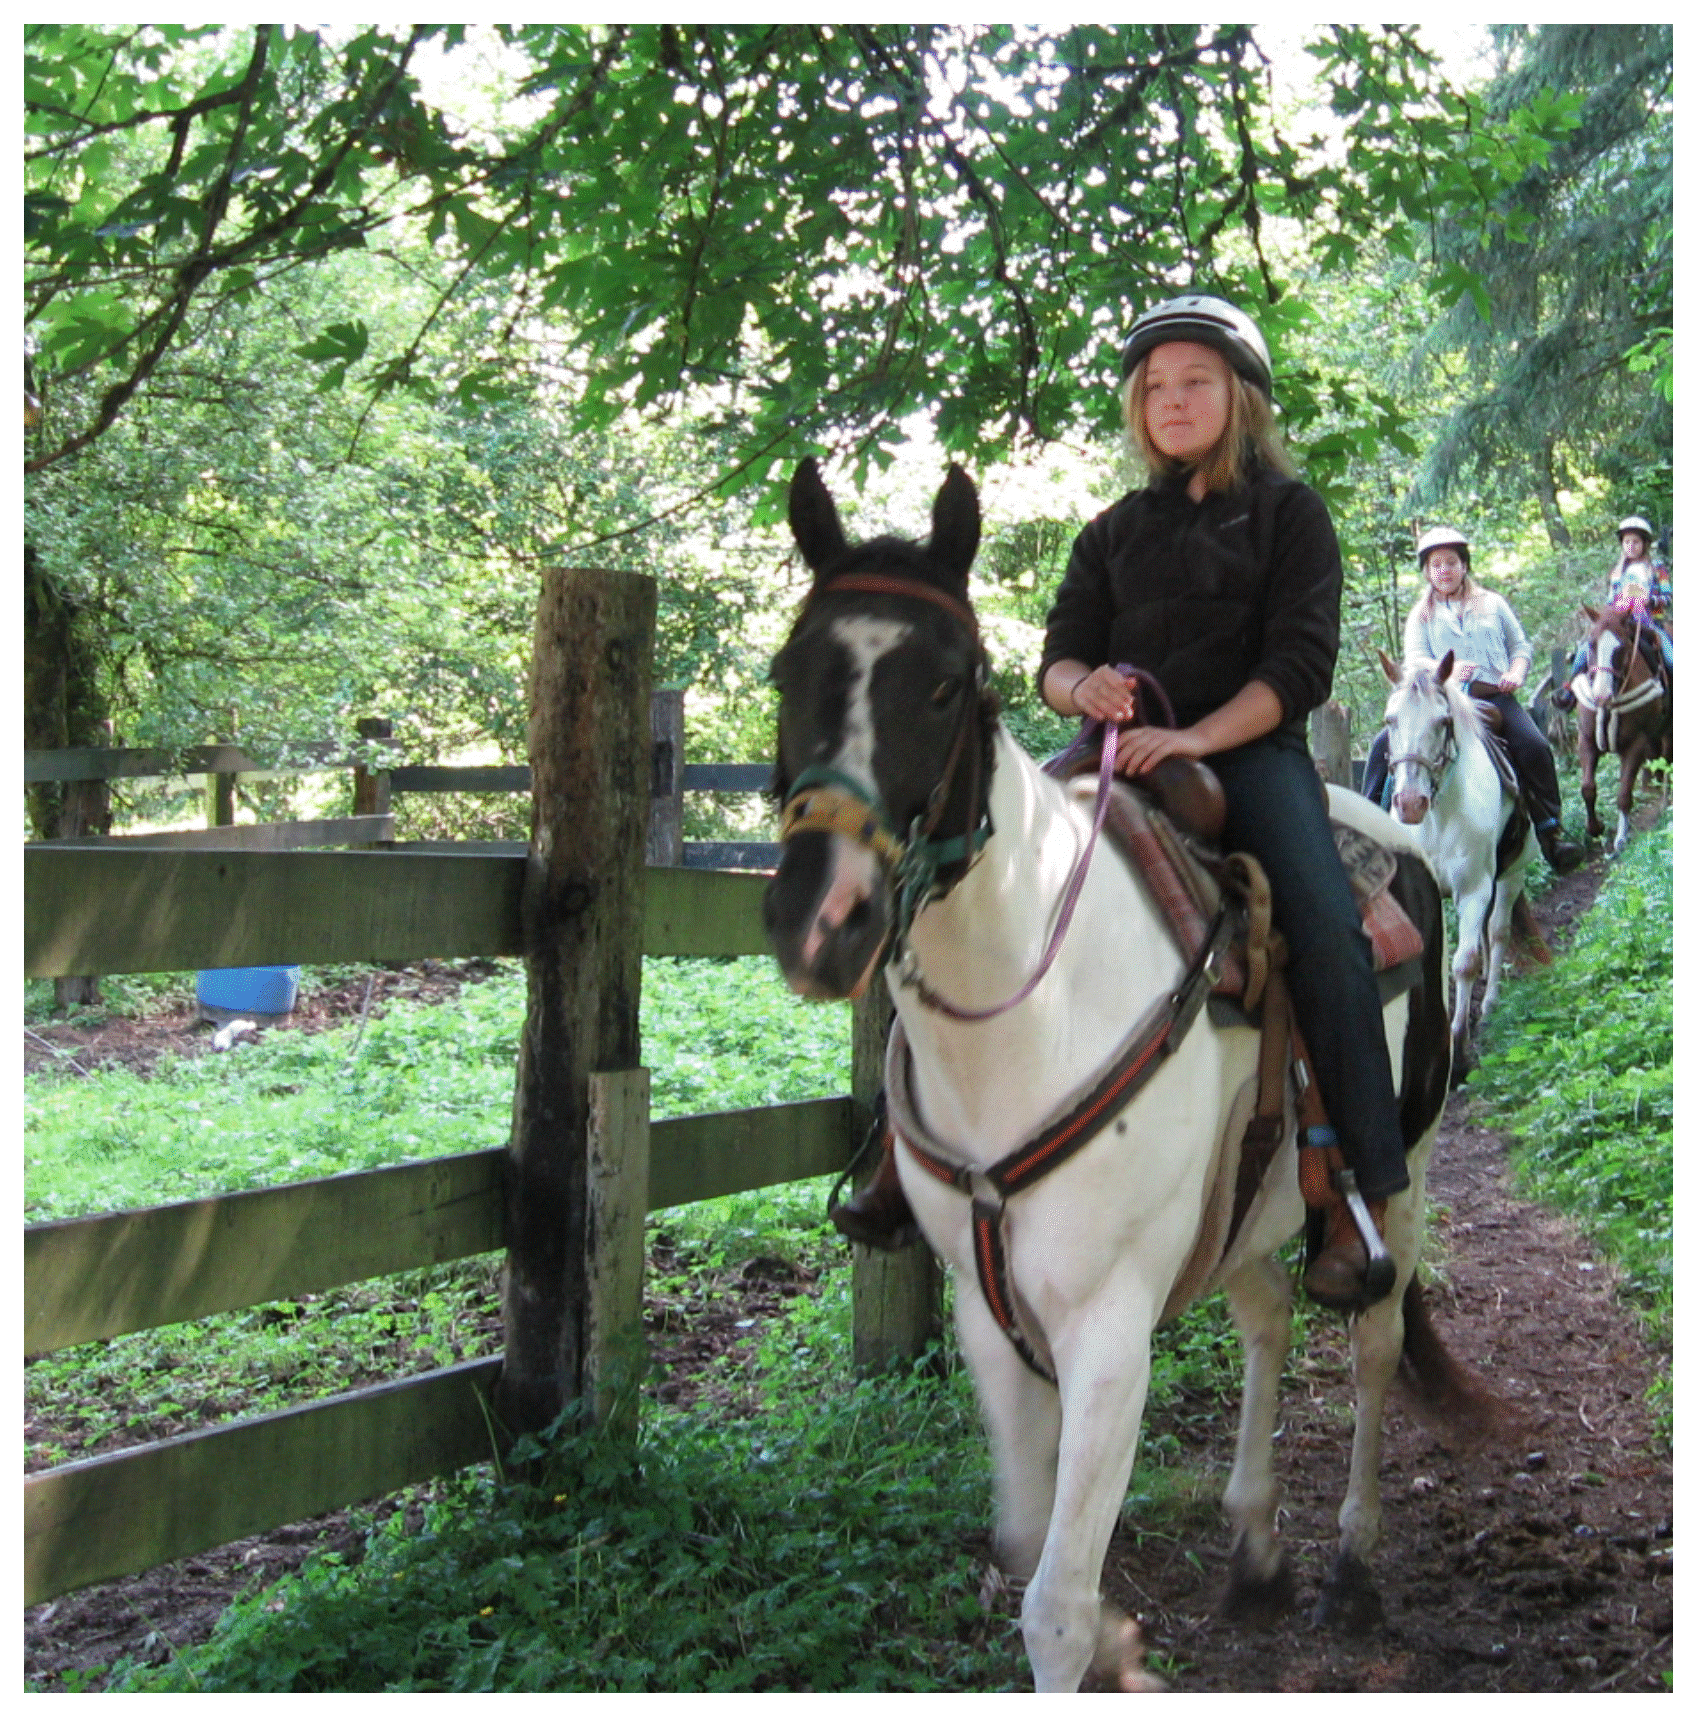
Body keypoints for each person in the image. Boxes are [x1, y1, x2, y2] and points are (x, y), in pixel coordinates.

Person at [1035, 292, 1409, 1308]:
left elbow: (1299, 663)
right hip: (1108, 755)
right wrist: (1084, 691)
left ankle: (1356, 1194)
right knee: (970, 873)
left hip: (1245, 758)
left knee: (1325, 926)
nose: (1171, 399)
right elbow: (1056, 656)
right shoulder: (1108, 533)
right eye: (1153, 386)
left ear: (1239, 396)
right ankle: (907, 1152)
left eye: (1194, 379)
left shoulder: (1289, 514)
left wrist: (1193, 734)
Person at [1361, 527, 1584, 875]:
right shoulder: (1420, 616)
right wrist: (1445, 668)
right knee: (1382, 746)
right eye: (1436, 565)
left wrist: (1517, 671)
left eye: (1451, 562)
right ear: (1426, 572)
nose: (1444, 570)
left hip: (1494, 696)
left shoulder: (1493, 604)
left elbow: (1520, 645)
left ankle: (1551, 830)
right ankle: (1370, 830)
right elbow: (1415, 661)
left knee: (1534, 745)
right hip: (1440, 699)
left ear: (1464, 565)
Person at [1554, 515, 1674, 708]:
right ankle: (1569, 690)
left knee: (1670, 656)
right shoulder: (1617, 572)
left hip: (1648, 623)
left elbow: (1667, 597)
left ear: (1645, 544)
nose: (1631, 546)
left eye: (1636, 542)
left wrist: (1649, 601)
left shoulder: (1656, 568)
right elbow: (1611, 600)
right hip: (1621, 623)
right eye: (1627, 542)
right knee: (1586, 648)